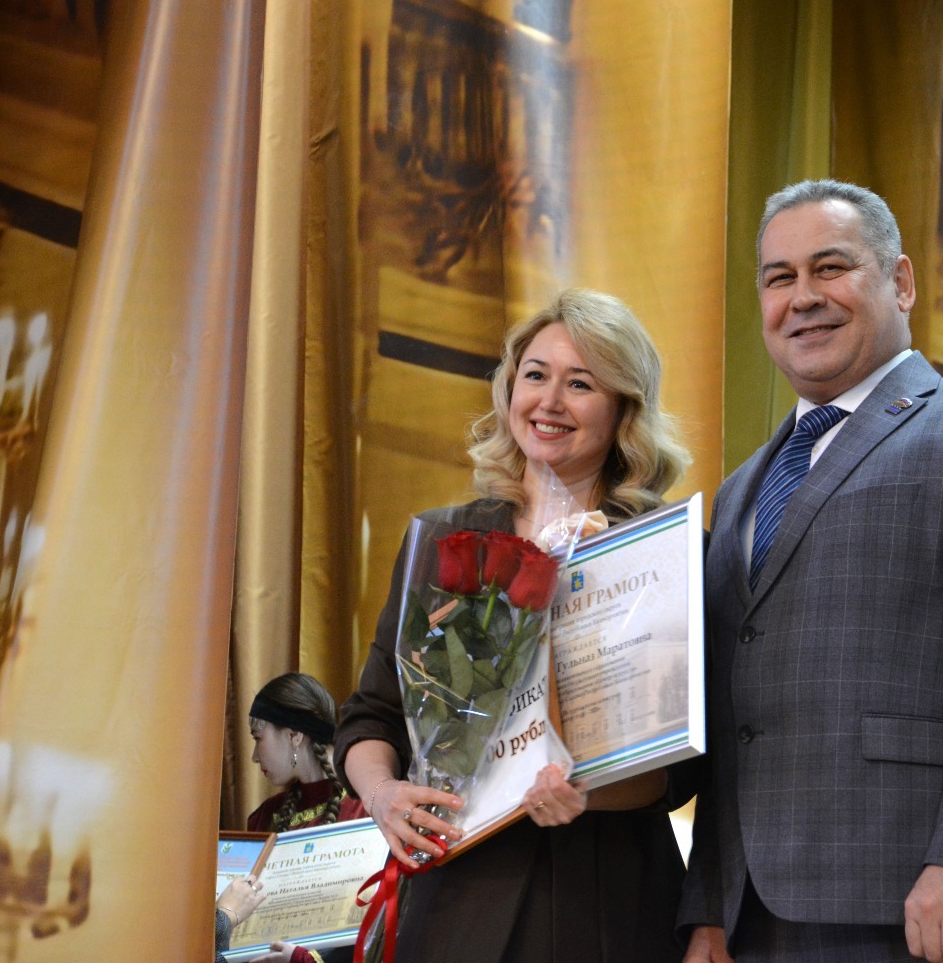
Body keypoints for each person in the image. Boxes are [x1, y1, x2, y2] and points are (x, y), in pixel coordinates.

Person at [678, 179, 943, 963]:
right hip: (757, 918)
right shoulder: (739, 492)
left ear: (901, 282)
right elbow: (740, 720)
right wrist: (709, 906)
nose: (803, 297)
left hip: (930, 904)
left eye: (831, 268)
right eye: (779, 278)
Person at [335, 287, 697, 963]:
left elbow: (683, 766)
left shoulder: (665, 549)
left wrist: (588, 792)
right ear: (509, 392)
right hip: (456, 900)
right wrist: (382, 795)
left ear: (624, 409)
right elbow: (371, 716)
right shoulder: (443, 542)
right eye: (535, 376)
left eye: (580, 383)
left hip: (608, 904)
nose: (550, 401)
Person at [216, 672, 366, 963]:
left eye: (258, 738)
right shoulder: (263, 817)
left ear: (294, 735)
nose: (254, 756)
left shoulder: (365, 810)